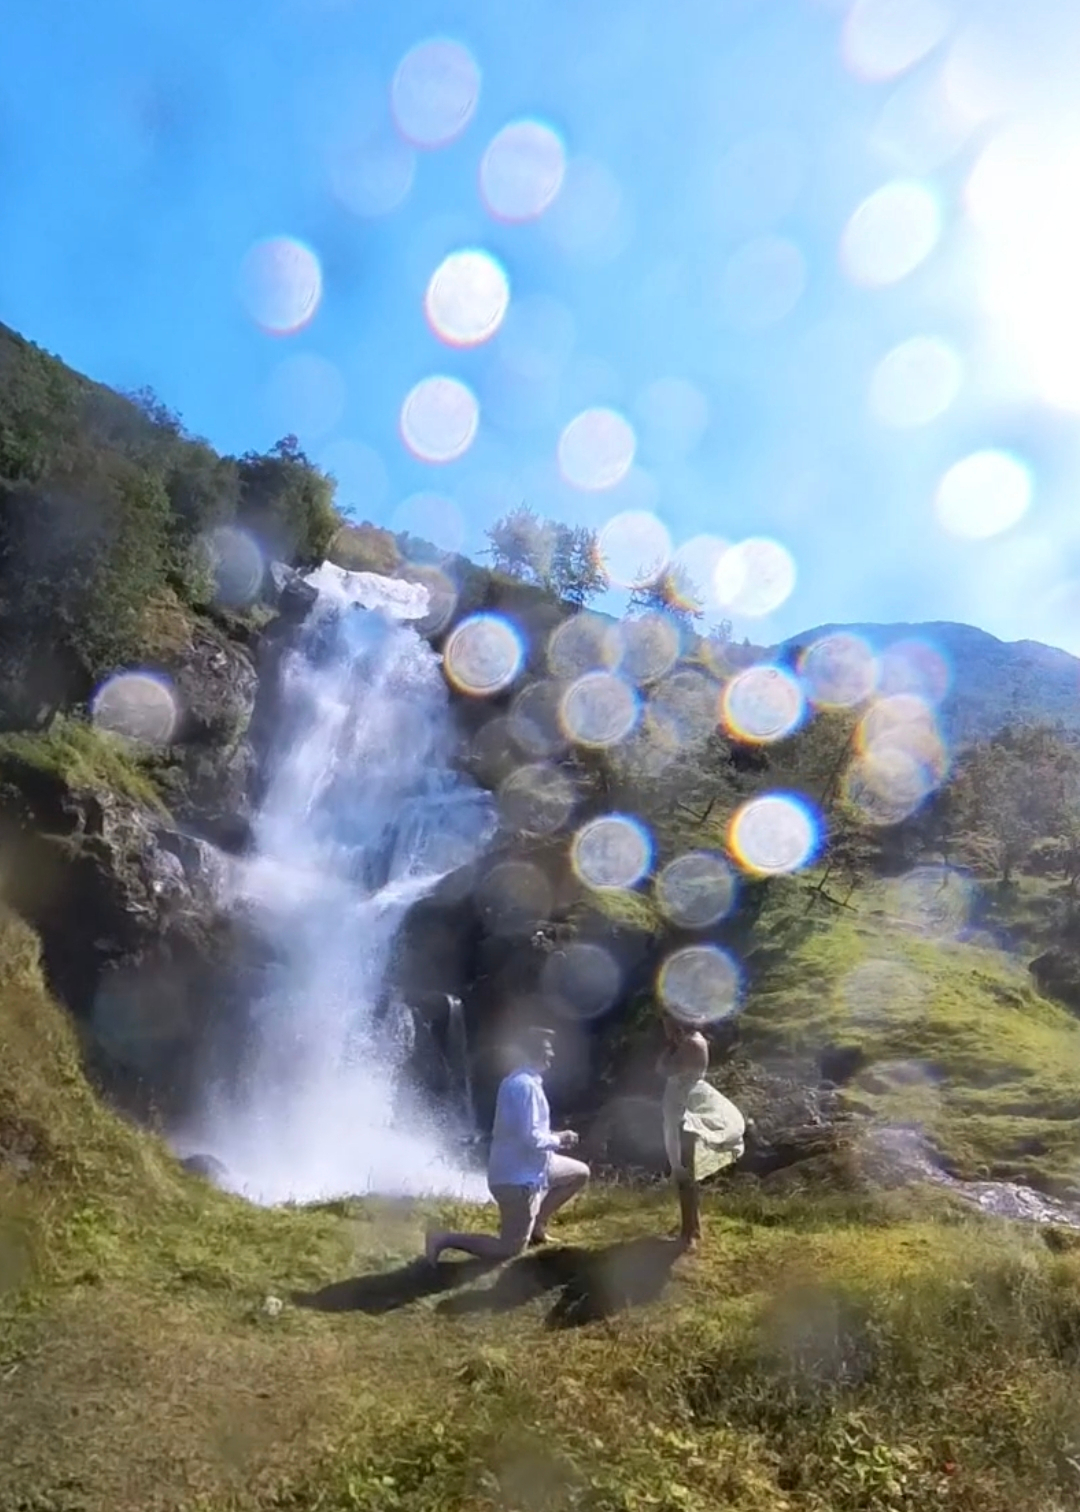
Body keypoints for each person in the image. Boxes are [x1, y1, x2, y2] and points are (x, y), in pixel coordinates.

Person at [424, 1025, 589, 1264]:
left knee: (579, 1173)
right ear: (532, 1052)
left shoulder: (522, 1081)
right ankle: (442, 1239)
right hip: (517, 1179)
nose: (551, 1054)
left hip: (534, 1166)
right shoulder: (525, 1086)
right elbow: (531, 1138)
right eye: (547, 1049)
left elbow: (525, 1131)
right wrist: (560, 1139)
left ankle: (536, 1225)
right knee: (509, 1249)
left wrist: (556, 1134)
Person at [657, 1012, 745, 1252]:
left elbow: (664, 1069)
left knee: (684, 1173)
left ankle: (688, 1235)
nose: (665, 1028)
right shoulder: (691, 1041)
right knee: (685, 1173)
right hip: (680, 1106)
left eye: (667, 1023)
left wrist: (669, 1048)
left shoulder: (689, 1043)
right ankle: (692, 1227)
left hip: (685, 1110)